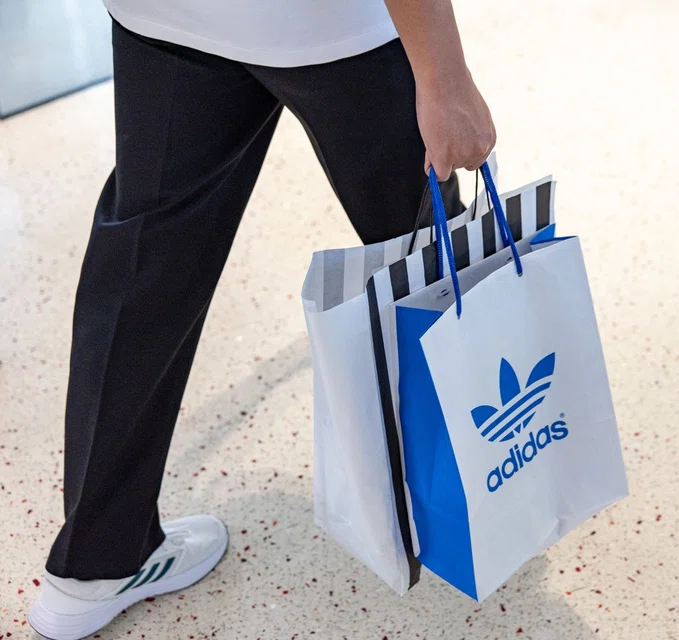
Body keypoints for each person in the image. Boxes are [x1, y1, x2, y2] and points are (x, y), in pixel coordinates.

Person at [29, 1, 495, 638]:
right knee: (423, 255)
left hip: (165, 17)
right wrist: (444, 78)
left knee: (146, 265)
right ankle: (484, 487)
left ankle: (94, 563)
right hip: (326, 30)